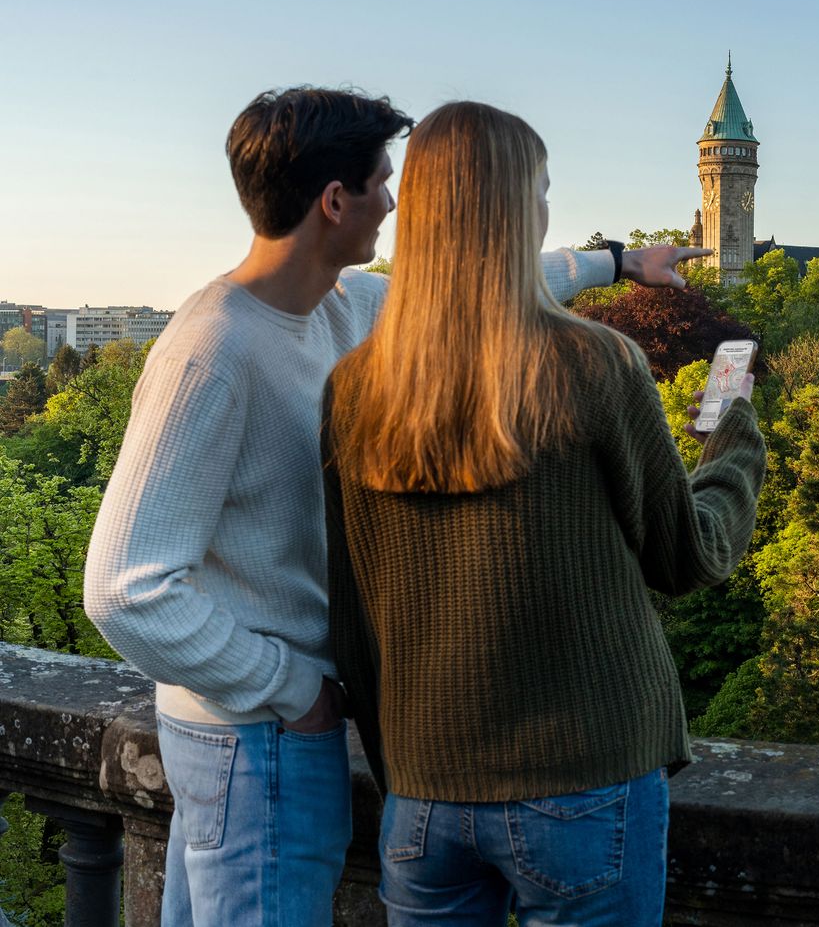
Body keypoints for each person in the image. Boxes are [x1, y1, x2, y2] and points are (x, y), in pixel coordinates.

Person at [83, 86, 707, 926]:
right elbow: (124, 589)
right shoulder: (211, 350)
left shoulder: (345, 305)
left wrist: (621, 263)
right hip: (253, 734)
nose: (396, 202)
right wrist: (294, 689)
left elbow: (480, 277)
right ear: (335, 202)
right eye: (383, 182)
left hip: (297, 734)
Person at [322, 101, 764, 924]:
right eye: (543, 191)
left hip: (424, 790)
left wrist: (406, 771)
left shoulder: (354, 386)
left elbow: (352, 613)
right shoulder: (594, 363)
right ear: (520, 212)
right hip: (582, 777)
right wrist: (733, 439)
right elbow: (690, 556)